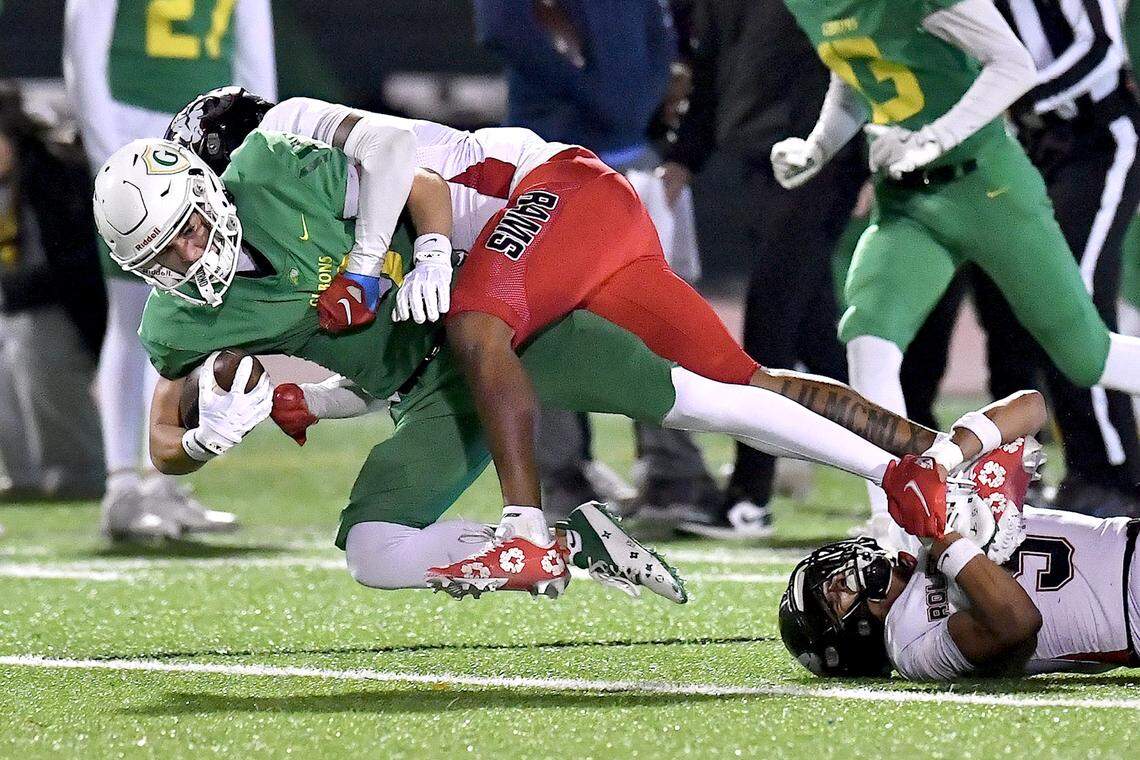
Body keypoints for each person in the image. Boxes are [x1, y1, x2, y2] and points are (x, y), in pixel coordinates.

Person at [95, 99, 1007, 599]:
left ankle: (528, 527)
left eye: (181, 231)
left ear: (211, 182)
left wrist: (399, 259)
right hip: (455, 356)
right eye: (156, 255)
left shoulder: (282, 166)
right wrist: (219, 434)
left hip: (546, 195)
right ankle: (928, 460)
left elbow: (405, 168)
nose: (182, 257)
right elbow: (167, 438)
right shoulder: (186, 315)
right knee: (732, 385)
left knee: (487, 326)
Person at [775, 0, 1140, 542]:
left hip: (987, 187)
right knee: (869, 336)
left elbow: (1013, 64)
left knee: (1085, 355)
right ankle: (893, 528)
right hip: (908, 200)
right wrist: (819, 146)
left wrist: (934, 137)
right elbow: (856, 70)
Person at [473, 0, 719, 523]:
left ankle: (674, 476)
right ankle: (561, 480)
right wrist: (605, 95)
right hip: (551, 157)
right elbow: (502, 26)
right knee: (545, 324)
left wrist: (638, 99)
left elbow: (661, 35)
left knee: (656, 323)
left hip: (632, 158)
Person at [62, 0, 276, 539]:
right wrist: (110, 155)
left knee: (192, 312)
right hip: (134, 132)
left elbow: (254, 56)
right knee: (134, 314)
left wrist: (261, 147)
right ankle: (121, 484)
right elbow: (83, 52)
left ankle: (159, 481)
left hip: (208, 135)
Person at [657, 0, 867, 537]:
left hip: (821, 160)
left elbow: (863, 56)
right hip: (756, 161)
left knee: (768, 325)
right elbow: (708, 72)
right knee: (819, 336)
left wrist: (865, 153)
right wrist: (684, 155)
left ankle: (749, 496)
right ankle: (924, 458)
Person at [780, 426, 1140, 680]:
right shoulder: (910, 646)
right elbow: (1017, 624)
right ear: (851, 635)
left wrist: (945, 458)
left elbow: (1031, 406)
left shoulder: (907, 533)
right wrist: (942, 535)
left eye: (833, 572)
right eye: (833, 595)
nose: (842, 577)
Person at [0, 80, 105, 502]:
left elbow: (72, 258)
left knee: (39, 356)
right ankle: (24, 472)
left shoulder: (50, 170)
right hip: (16, 299)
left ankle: (76, 471)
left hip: (56, 303)